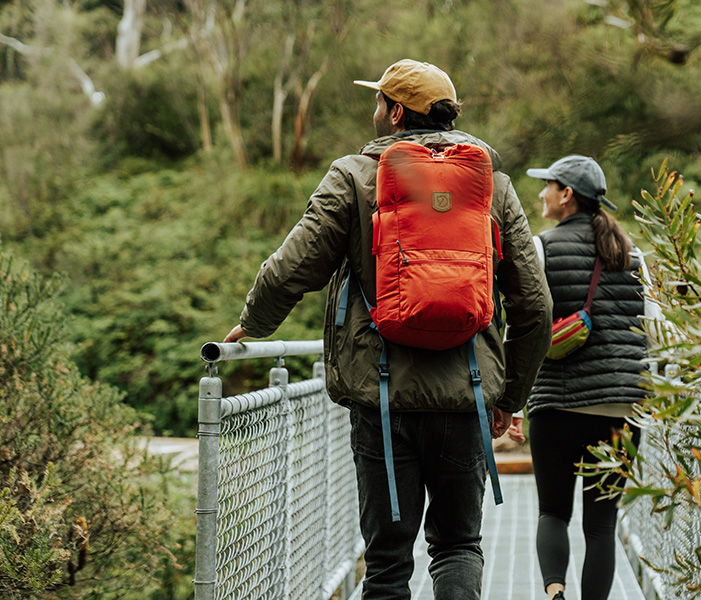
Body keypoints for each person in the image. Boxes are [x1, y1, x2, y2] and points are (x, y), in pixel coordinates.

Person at [222, 59, 552, 600]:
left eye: (379, 102)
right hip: (466, 397)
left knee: (387, 564)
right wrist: (508, 397)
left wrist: (252, 323)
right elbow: (534, 305)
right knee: (457, 546)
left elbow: (293, 266)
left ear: (397, 113)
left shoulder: (354, 176)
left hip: (381, 399)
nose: (373, 111)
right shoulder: (492, 185)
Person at [524, 156, 647, 600]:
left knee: (553, 513)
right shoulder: (633, 257)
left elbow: (524, 328)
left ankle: (555, 595)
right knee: (601, 526)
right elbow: (652, 331)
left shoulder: (541, 248)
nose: (542, 193)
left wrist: (509, 396)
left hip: (557, 405)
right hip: (620, 409)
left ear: (567, 195)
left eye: (548, 185)